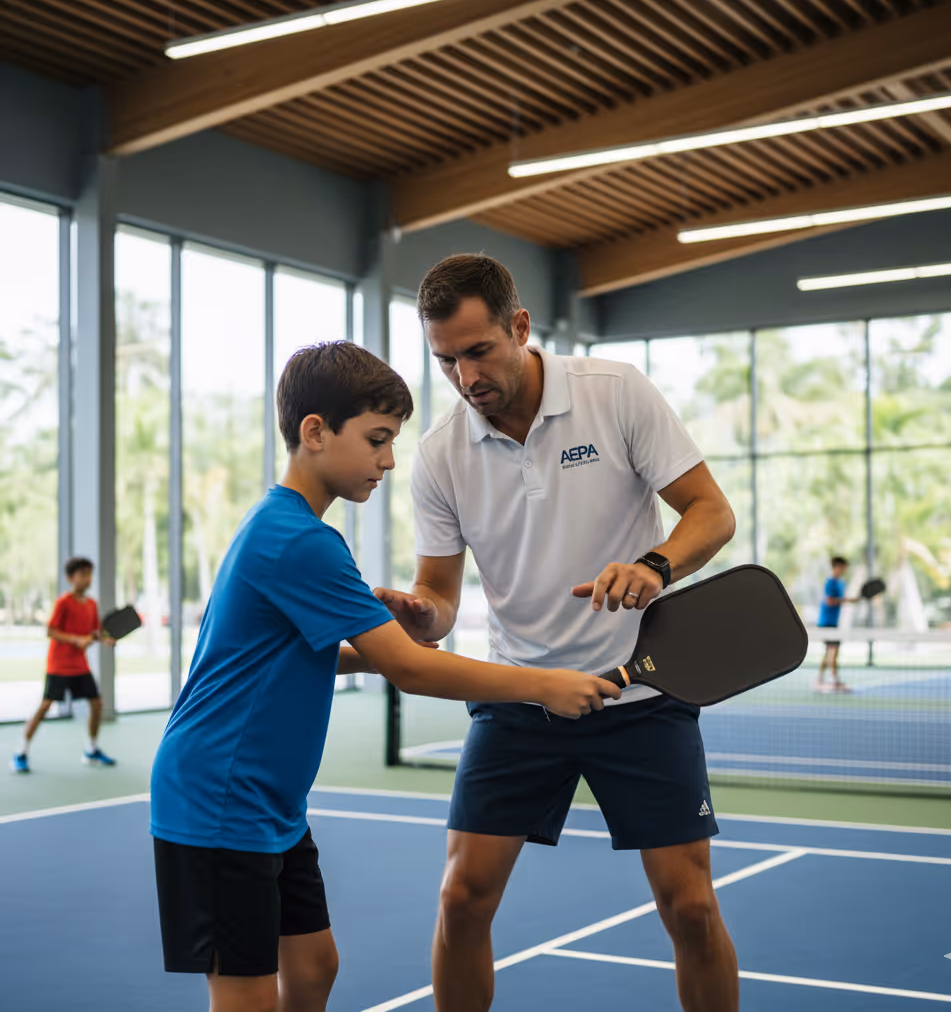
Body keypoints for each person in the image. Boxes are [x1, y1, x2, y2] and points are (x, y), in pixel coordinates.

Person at [148, 341, 618, 1012]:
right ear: (314, 432)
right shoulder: (300, 541)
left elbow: (308, 652)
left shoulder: (286, 527)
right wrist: (545, 684)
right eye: (375, 439)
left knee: (313, 967)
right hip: (220, 798)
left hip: (269, 803)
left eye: (392, 441)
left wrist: (382, 630)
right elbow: (410, 669)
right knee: (246, 995)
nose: (389, 460)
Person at [375, 255, 740, 1012]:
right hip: (521, 697)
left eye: (478, 351)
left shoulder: (617, 394)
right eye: (446, 360)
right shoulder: (441, 455)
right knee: (461, 898)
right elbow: (439, 599)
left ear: (519, 327)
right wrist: (421, 615)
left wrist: (656, 567)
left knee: (691, 907)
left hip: (640, 688)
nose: (465, 376)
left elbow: (711, 512)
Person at [10, 556, 117, 773]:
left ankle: (91, 749)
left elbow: (94, 633)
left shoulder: (92, 605)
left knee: (96, 704)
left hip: (80, 666)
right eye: (82, 574)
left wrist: (105, 639)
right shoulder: (63, 602)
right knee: (45, 706)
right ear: (70, 578)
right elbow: (50, 630)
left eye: (89, 574)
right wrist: (75, 639)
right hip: (58, 666)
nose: (87, 578)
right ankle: (21, 752)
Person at [817, 555, 858, 693]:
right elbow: (829, 601)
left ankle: (820, 679)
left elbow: (841, 599)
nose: (844, 570)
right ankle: (835, 681)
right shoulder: (830, 583)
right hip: (826, 622)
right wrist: (847, 600)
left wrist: (850, 600)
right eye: (843, 567)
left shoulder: (841, 583)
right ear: (836, 567)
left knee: (829, 652)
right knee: (832, 651)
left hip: (834, 622)